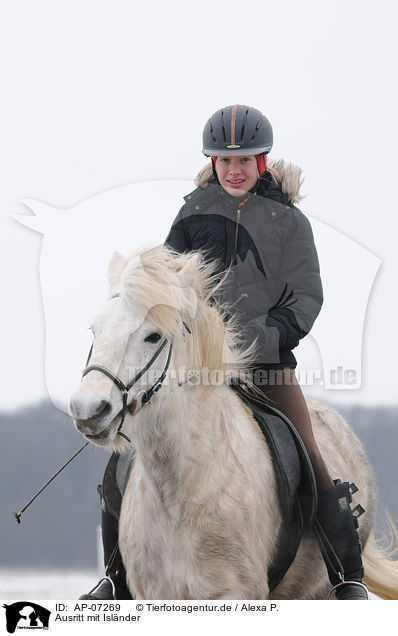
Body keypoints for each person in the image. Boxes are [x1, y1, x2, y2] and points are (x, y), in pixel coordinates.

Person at [80, 104, 368, 601]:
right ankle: (114, 578)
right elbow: (165, 286)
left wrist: (257, 339)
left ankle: (347, 579)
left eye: (245, 161)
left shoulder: (289, 223)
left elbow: (306, 297)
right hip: (196, 371)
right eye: (224, 161)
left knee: (315, 462)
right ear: (212, 161)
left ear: (263, 161)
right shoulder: (193, 212)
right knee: (127, 457)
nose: (234, 171)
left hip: (269, 368)